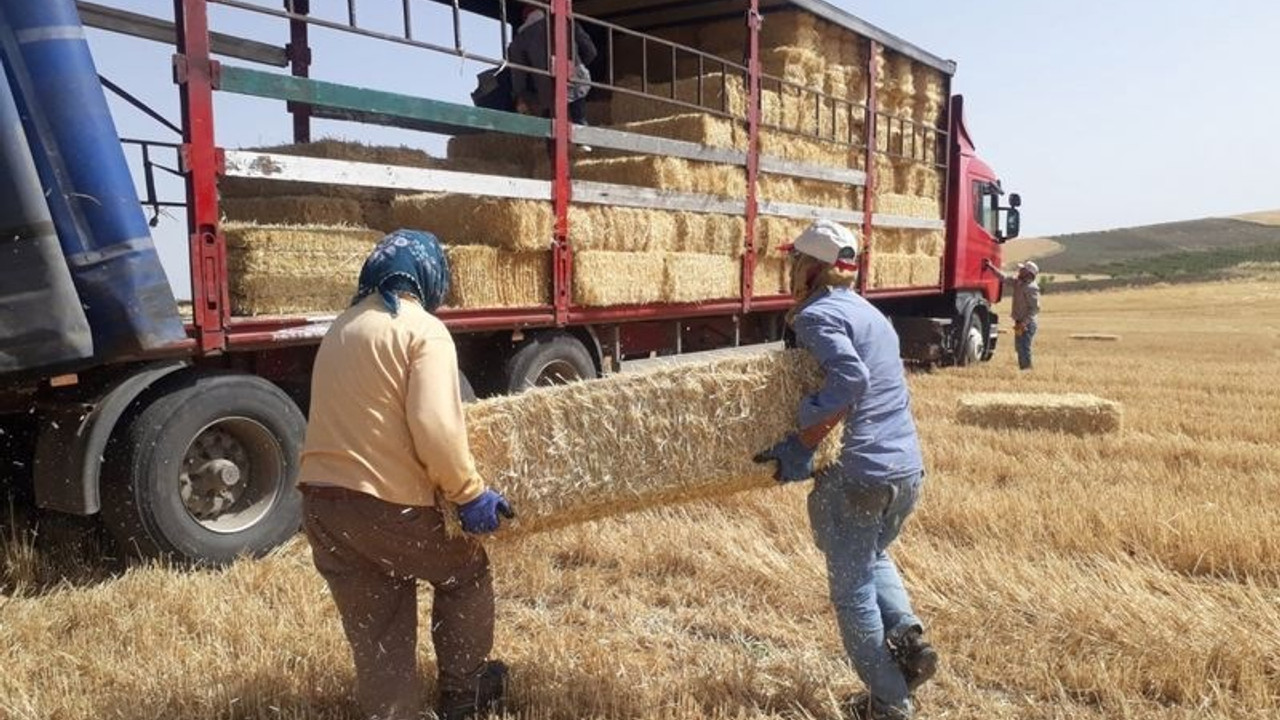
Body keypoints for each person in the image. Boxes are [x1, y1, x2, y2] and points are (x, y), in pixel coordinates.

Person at [297, 230, 515, 720]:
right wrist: (469, 494)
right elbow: (434, 424)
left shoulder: (341, 326)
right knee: (465, 572)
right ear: (429, 275)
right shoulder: (422, 330)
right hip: (387, 506)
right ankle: (464, 695)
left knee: (380, 626)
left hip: (323, 508)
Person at [755, 220, 938, 720]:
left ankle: (890, 703)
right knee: (874, 556)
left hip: (858, 474)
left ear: (811, 269)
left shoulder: (815, 316)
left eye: (794, 261)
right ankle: (908, 639)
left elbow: (850, 379)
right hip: (906, 472)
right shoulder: (870, 313)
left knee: (851, 589)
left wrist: (803, 441)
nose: (790, 270)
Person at [507, 5, 597, 127]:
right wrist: (579, 65)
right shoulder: (567, 23)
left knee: (550, 124)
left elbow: (519, 75)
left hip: (547, 90)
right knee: (578, 118)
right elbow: (591, 51)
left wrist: (521, 95)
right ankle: (583, 140)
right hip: (575, 79)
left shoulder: (519, 40)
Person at [984, 259, 1041, 370]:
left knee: (1024, 347)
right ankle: (1024, 368)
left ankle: (1027, 370)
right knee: (1019, 347)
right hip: (1019, 322)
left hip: (1027, 324)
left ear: (1029, 273)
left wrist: (1024, 323)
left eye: (1022, 269)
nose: (1019, 271)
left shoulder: (1032, 288)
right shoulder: (1018, 282)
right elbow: (1003, 278)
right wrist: (991, 267)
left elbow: (1034, 308)